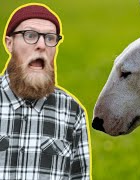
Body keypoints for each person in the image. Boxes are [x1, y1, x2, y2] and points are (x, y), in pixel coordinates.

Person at [0, 3, 90, 180]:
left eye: (50, 38)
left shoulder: (72, 112)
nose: (42, 45)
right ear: (9, 43)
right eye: (30, 35)